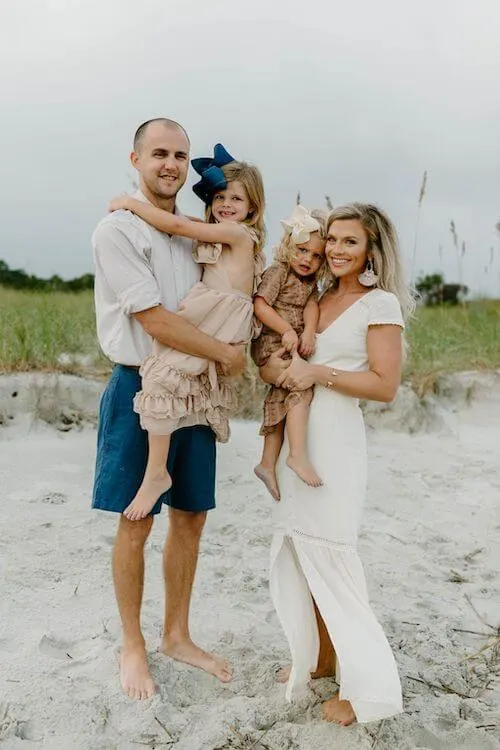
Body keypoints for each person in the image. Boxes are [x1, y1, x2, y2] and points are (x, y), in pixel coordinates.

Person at [91, 119, 247, 700]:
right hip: (141, 387)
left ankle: (177, 634)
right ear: (135, 158)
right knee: (137, 521)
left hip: (197, 391)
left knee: (191, 516)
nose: (172, 165)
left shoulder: (199, 230)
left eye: (181, 155)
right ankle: (133, 646)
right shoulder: (118, 230)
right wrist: (228, 357)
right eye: (159, 153)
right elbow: (153, 320)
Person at [261, 203, 414, 726]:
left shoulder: (380, 303)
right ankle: (321, 659)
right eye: (332, 239)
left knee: (333, 554)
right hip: (300, 436)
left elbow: (384, 385)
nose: (336, 249)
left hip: (337, 439)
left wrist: (315, 373)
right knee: (305, 553)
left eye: (350, 241)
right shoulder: (318, 298)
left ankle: (362, 686)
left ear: (371, 249)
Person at [107, 143, 266, 521]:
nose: (226, 204)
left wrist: (131, 204)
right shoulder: (217, 234)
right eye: (219, 196)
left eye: (237, 199)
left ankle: (157, 473)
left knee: (163, 376)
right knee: (177, 381)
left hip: (219, 316)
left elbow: (177, 225)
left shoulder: (239, 235)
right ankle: (158, 471)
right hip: (213, 313)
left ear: (252, 208)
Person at [251, 205, 327, 502]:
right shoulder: (278, 272)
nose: (307, 259)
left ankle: (267, 464)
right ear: (288, 246)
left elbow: (312, 307)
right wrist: (286, 330)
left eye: (316, 255)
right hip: (272, 345)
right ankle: (296, 455)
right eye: (302, 250)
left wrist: (308, 332)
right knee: (301, 390)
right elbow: (260, 304)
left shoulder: (310, 284)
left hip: (291, 344)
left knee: (281, 397)